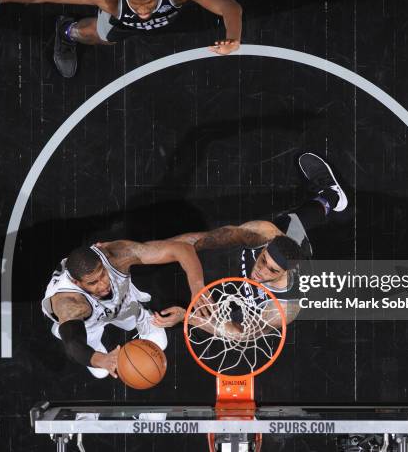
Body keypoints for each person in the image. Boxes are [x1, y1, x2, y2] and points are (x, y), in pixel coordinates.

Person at [153, 152, 349, 332]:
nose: (261, 270)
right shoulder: (263, 235)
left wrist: (185, 317)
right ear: (266, 247)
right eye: (263, 260)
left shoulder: (283, 307)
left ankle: (331, 195)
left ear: (284, 272)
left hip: (269, 293)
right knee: (288, 221)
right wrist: (159, 249)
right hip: (276, 246)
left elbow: (242, 335)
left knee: (295, 229)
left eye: (272, 270)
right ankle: (330, 198)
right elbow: (199, 240)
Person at [0, 0, 243, 78]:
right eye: (137, 5)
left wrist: (234, 38)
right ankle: (66, 31)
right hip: (121, 23)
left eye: (149, 3)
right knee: (101, 37)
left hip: (170, 16)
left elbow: (229, 5)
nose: (144, 13)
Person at [41, 239, 204, 378]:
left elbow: (181, 248)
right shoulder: (69, 302)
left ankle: (141, 315)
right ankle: (96, 349)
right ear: (77, 283)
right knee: (101, 372)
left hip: (123, 303)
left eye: (102, 275)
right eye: (93, 283)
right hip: (89, 323)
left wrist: (198, 288)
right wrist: (101, 360)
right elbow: (72, 342)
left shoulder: (115, 255)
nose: (103, 284)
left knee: (159, 343)